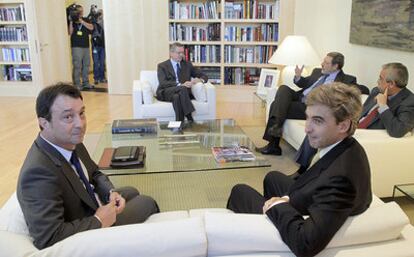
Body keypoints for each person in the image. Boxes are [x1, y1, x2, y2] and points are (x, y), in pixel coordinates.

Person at [227, 82, 372, 257]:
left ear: (343, 125)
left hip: (303, 228)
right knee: (272, 177)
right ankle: (263, 221)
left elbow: (306, 244)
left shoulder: (341, 180)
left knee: (240, 191)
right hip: (318, 200)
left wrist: (278, 205)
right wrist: (286, 198)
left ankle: (251, 236)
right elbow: (319, 179)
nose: (307, 128)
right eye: (308, 118)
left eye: (317, 121)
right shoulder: (347, 146)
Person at [17, 83, 159, 249]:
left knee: (131, 191)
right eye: (68, 117)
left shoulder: (69, 141)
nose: (80, 124)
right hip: (87, 228)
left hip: (89, 202)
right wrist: (98, 221)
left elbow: (94, 173)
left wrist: (110, 192)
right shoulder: (37, 173)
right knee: (147, 202)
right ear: (44, 123)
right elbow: (49, 237)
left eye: (81, 113)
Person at [296, 62, 414, 169]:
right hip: (353, 125)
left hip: (366, 134)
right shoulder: (376, 91)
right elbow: (360, 111)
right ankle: (302, 169)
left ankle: (310, 173)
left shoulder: (409, 101)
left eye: (380, 78)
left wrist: (383, 106)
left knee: (324, 131)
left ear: (391, 84)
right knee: (319, 127)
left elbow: (398, 130)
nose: (377, 81)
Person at [257, 52, 357, 156]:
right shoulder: (317, 71)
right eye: (323, 61)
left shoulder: (345, 80)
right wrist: (298, 76)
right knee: (283, 88)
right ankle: (274, 139)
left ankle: (273, 144)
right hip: (299, 97)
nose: (322, 64)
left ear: (336, 66)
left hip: (311, 107)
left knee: (275, 105)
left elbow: (361, 90)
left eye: (326, 62)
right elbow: (304, 82)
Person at [156, 42, 208, 123]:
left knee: (176, 97)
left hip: (180, 94)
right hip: (166, 92)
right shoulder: (162, 66)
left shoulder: (187, 65)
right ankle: (190, 118)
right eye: (178, 53)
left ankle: (178, 122)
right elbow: (163, 83)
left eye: (182, 53)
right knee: (183, 88)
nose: (181, 55)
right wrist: (180, 84)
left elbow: (204, 76)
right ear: (171, 53)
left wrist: (200, 80)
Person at [68, 4, 94, 90]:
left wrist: (82, 21)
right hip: (76, 47)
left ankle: (86, 82)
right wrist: (71, 21)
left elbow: (91, 28)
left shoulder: (86, 19)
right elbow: (70, 33)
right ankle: (77, 84)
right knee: (77, 65)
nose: (81, 12)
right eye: (79, 11)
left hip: (86, 46)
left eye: (82, 11)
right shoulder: (73, 21)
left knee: (86, 65)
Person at [89, 7, 106, 85]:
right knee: (96, 62)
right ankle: (96, 78)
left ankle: (102, 77)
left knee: (102, 62)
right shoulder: (93, 22)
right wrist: (93, 13)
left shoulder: (103, 22)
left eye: (101, 13)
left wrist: (102, 16)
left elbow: (102, 24)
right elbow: (90, 20)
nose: (99, 15)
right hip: (95, 45)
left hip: (102, 46)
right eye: (98, 13)